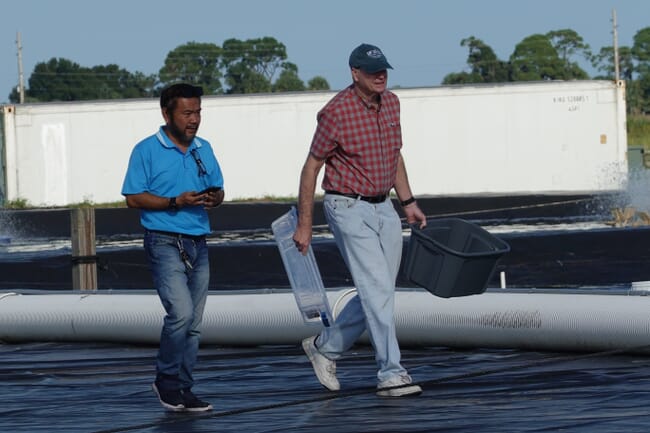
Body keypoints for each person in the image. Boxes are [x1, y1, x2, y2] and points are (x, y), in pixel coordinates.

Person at [293, 43, 427, 397]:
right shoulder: (336, 112)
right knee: (378, 290)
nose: (380, 76)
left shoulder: (393, 103)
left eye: (383, 69)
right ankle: (391, 373)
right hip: (347, 206)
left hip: (384, 206)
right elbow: (311, 167)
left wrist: (408, 201)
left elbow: (395, 155)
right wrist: (304, 224)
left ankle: (325, 348)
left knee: (379, 291)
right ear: (355, 74)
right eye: (372, 71)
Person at [121, 83, 224, 412]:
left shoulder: (203, 148)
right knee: (180, 313)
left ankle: (183, 386)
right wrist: (174, 202)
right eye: (187, 113)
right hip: (163, 240)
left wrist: (212, 198)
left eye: (198, 113)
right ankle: (166, 381)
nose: (194, 120)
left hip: (198, 241)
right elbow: (133, 198)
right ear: (167, 114)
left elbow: (219, 191)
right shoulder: (146, 150)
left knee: (194, 323)